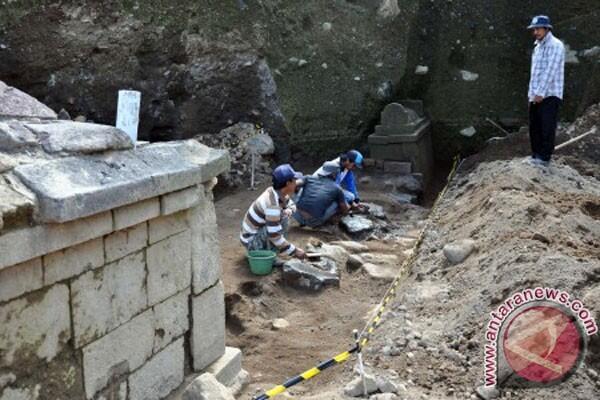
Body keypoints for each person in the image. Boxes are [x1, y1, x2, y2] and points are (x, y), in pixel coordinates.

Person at [240, 164, 306, 259]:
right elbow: (274, 236)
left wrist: (288, 210)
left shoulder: (275, 192)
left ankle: (271, 250)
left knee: (283, 217)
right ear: (288, 183)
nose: (296, 183)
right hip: (251, 241)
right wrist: (294, 250)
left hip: (254, 234)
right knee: (280, 223)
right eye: (294, 180)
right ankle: (266, 254)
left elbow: (292, 205)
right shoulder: (272, 205)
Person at [525, 15, 565, 167]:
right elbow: (534, 73)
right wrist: (532, 95)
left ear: (547, 28)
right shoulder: (538, 47)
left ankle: (544, 158)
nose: (535, 32)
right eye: (534, 29)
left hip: (550, 94)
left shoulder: (556, 46)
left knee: (547, 126)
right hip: (535, 95)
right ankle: (536, 156)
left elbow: (550, 71)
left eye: (538, 29)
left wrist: (540, 93)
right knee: (534, 126)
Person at [293, 163, 349, 228]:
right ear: (334, 174)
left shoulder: (308, 178)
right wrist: (346, 213)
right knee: (338, 203)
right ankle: (329, 223)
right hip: (313, 222)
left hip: (296, 215)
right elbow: (344, 207)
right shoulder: (337, 188)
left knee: (302, 190)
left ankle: (303, 221)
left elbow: (294, 184)